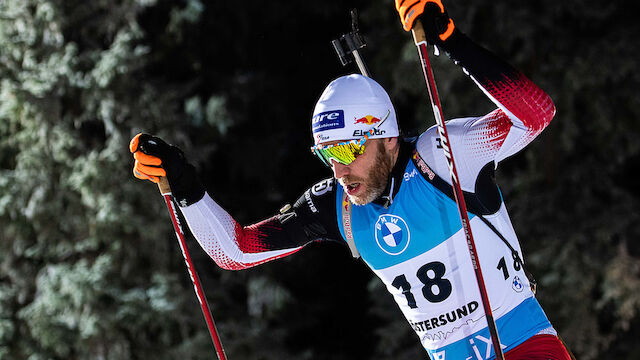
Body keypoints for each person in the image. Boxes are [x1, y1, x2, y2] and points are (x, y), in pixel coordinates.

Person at [129, 1, 573, 359]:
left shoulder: (443, 155)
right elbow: (234, 252)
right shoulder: (335, 207)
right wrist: (187, 188)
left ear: (389, 140)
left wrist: (448, 39)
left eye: (348, 149)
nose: (339, 170)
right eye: (326, 155)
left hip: (524, 345)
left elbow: (535, 115)